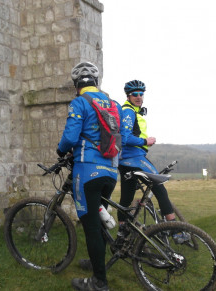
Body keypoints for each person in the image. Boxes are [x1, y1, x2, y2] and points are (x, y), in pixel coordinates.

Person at [57, 61, 123, 291]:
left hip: (87, 171)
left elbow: (70, 138)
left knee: (91, 226)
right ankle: (98, 265)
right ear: (96, 82)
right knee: (100, 220)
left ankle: (99, 282)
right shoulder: (113, 103)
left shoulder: (80, 102)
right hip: (110, 172)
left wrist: (60, 150)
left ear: (77, 85)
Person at [116, 79, 189, 244]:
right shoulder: (128, 111)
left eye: (141, 94)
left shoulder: (133, 111)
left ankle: (122, 234)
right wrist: (145, 141)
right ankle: (174, 230)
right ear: (128, 95)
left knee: (126, 199)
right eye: (135, 94)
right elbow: (125, 138)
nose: (139, 97)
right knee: (159, 187)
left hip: (125, 161)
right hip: (134, 158)